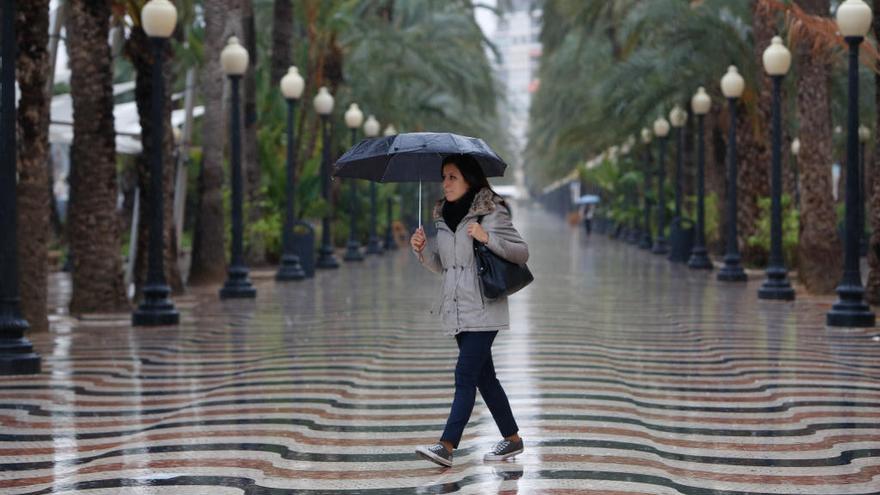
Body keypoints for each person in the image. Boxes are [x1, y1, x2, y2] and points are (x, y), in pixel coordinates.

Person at [409, 154, 529, 468]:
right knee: (484, 378)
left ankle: (447, 446)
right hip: (457, 309)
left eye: (452, 177)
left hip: (484, 306)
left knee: (464, 374)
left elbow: (521, 252)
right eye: (443, 177)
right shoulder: (442, 216)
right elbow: (445, 266)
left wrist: (486, 237)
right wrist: (423, 252)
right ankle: (513, 440)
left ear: (468, 180)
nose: (445, 183)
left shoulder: (491, 212)